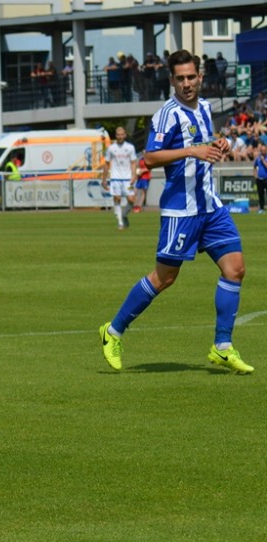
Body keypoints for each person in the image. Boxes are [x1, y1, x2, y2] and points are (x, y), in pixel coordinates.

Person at [99, 49, 254, 374]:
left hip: (210, 206)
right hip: (181, 211)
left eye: (191, 77)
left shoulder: (206, 108)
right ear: (171, 80)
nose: (186, 83)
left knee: (235, 269)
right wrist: (191, 151)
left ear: (200, 77)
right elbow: (149, 158)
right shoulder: (166, 115)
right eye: (180, 78)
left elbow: (207, 142)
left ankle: (222, 347)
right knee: (164, 278)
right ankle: (113, 331)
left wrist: (220, 144)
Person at [102, 126, 137, 230]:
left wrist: (134, 175)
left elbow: (133, 162)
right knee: (117, 198)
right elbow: (106, 163)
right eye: (118, 135)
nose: (120, 136)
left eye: (122, 134)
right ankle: (120, 222)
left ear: (125, 135)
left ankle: (124, 214)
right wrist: (104, 179)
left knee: (131, 199)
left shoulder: (130, 147)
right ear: (116, 136)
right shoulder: (111, 148)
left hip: (127, 178)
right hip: (115, 178)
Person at [254, 142, 267, 215]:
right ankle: (261, 208)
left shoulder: (264, 158)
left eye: (264, 150)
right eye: (262, 150)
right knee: (260, 195)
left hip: (266, 178)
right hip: (260, 179)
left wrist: (263, 161)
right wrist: (255, 176)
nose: (263, 152)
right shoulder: (258, 158)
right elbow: (254, 167)